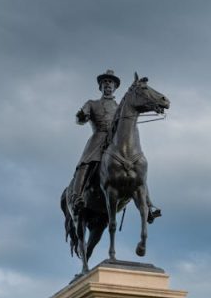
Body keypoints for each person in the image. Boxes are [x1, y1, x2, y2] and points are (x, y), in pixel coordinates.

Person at [68, 69, 161, 222]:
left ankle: (148, 205)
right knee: (85, 163)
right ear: (100, 86)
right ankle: (77, 197)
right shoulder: (92, 103)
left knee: (137, 167)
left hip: (116, 141)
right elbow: (80, 119)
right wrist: (81, 116)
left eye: (111, 82)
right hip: (98, 139)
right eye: (105, 82)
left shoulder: (119, 106)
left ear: (115, 87)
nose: (108, 85)